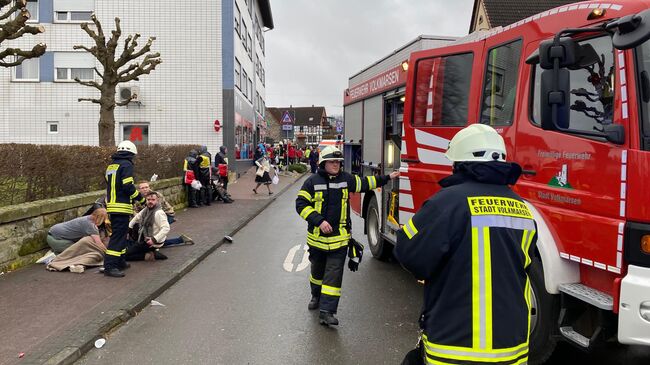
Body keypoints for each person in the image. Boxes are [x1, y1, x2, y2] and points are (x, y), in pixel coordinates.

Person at [394, 124, 537, 365]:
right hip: (512, 348)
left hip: (455, 347)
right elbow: (524, 265)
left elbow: (410, 254)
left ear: (460, 163)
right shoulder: (523, 208)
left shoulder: (448, 202)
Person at [295, 145, 399, 326]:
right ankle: (315, 295)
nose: (336, 165)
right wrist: (319, 221)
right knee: (317, 273)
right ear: (323, 163)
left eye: (339, 162)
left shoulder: (346, 179)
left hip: (340, 239)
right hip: (317, 240)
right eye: (333, 161)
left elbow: (366, 183)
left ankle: (327, 312)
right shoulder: (311, 182)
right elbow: (301, 205)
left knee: (333, 276)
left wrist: (388, 177)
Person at [103, 140, 145, 278]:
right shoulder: (126, 164)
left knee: (121, 236)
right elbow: (127, 186)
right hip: (121, 207)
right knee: (117, 237)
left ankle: (120, 261)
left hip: (112, 206)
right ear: (131, 153)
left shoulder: (111, 166)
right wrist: (140, 198)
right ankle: (110, 266)